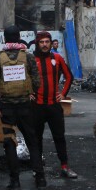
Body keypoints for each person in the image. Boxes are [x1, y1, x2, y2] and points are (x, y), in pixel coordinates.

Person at [0, 25, 45, 190]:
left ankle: (15, 182)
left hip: (7, 107)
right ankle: (40, 178)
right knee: (32, 141)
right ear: (19, 38)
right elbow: (37, 81)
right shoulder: (28, 57)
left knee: (9, 143)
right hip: (26, 106)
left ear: (5, 39)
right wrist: (31, 93)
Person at [31, 31, 78, 179]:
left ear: (51, 43)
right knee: (36, 138)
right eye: (42, 42)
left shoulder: (56, 58)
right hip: (37, 106)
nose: (45, 45)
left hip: (54, 106)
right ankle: (38, 169)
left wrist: (63, 94)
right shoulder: (31, 60)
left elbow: (69, 76)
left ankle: (65, 166)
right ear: (37, 44)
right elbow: (23, 79)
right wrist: (28, 92)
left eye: (47, 42)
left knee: (59, 137)